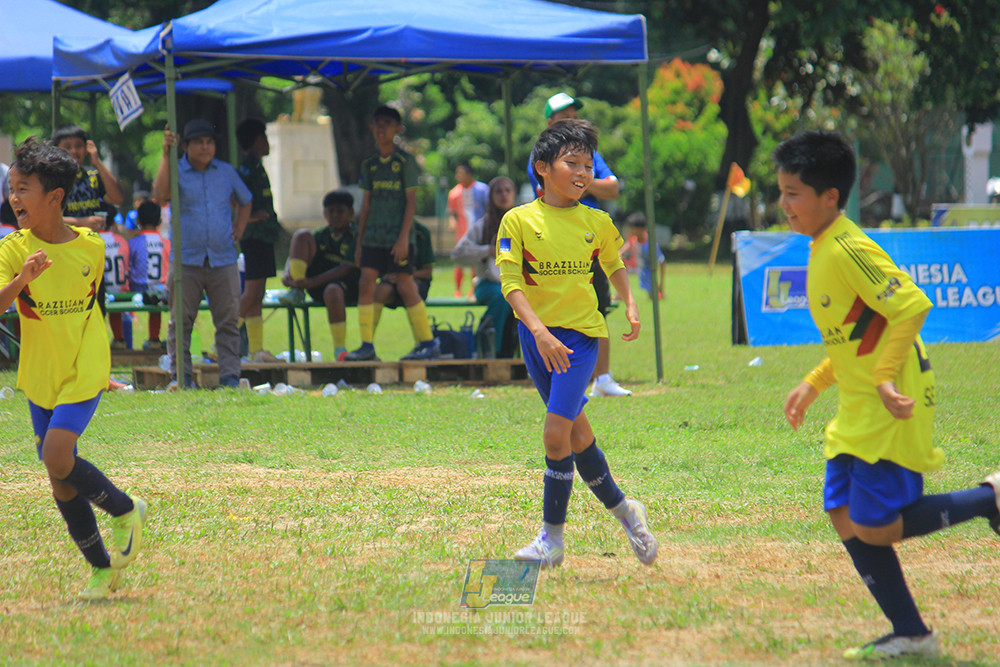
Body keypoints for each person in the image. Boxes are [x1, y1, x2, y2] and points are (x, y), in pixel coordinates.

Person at [776, 130, 1000, 661]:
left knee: (875, 526)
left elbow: (911, 305)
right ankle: (912, 633)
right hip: (858, 400)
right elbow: (854, 334)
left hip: (890, 398)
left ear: (830, 197)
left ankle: (989, 498)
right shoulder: (821, 246)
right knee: (841, 512)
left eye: (793, 194)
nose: (784, 204)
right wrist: (815, 382)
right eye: (781, 192)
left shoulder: (847, 247)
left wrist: (881, 377)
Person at [499, 119, 656, 569]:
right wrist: (539, 332)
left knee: (555, 434)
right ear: (542, 168)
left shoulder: (597, 221)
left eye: (588, 165)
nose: (583, 173)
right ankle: (626, 512)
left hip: (580, 339)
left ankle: (551, 539)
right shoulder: (518, 220)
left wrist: (630, 302)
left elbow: (613, 264)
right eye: (572, 163)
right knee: (578, 436)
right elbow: (511, 284)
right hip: (537, 339)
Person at [0, 137, 147, 600]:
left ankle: (126, 509)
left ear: (55, 197)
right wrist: (23, 279)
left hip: (85, 365)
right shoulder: (11, 249)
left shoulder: (92, 248)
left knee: (56, 456)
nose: (13, 198)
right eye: (11, 189)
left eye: (23, 189)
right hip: (40, 373)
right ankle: (102, 569)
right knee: (60, 479)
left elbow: (88, 309)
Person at [526, 92, 630, 397]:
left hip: (591, 242)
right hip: (555, 241)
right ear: (549, 122)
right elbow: (551, 190)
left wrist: (578, 177)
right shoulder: (542, 153)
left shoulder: (590, 154)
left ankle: (603, 377)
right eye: (564, 117)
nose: (571, 121)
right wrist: (583, 181)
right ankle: (563, 374)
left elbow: (612, 188)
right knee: (559, 307)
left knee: (598, 307)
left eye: (575, 116)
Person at [153, 119, 252, 389]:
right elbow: (160, 194)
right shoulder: (175, 170)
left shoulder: (226, 171)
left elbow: (246, 200)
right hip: (186, 258)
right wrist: (165, 155)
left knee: (229, 321)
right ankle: (181, 377)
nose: (205, 147)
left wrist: (239, 227)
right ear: (185, 146)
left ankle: (230, 377)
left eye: (209, 142)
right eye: (198, 142)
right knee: (181, 322)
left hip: (223, 258)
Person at [344, 105, 439, 362]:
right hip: (373, 237)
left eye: (387, 124)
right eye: (378, 124)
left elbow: (411, 202)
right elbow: (366, 205)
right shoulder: (370, 164)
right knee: (365, 282)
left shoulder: (405, 162)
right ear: (371, 128)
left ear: (398, 129)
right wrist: (360, 242)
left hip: (398, 238)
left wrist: (403, 238)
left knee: (406, 285)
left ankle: (429, 342)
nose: (381, 128)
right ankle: (366, 345)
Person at [279, 189, 359, 361]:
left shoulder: (356, 236)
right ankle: (296, 291)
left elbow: (346, 268)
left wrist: (312, 282)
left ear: (351, 213)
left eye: (340, 211)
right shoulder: (320, 234)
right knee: (302, 235)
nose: (335, 215)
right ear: (324, 213)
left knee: (333, 290)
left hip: (347, 287)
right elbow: (293, 256)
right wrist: (287, 274)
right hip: (315, 284)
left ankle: (339, 349)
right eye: (331, 211)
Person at [451, 176, 517, 358]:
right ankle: (489, 348)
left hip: (519, 283)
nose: (504, 195)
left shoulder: (522, 223)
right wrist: (486, 250)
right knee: (504, 296)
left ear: (514, 194)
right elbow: (457, 255)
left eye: (508, 191)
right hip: (489, 284)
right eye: (498, 191)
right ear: (490, 197)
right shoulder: (482, 226)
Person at [236, 118, 283, 362]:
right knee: (252, 293)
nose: (267, 143)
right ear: (255, 141)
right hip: (254, 238)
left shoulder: (256, 166)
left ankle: (256, 351)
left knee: (257, 295)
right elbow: (234, 198)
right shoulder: (246, 169)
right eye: (264, 138)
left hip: (264, 237)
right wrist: (250, 217)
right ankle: (222, 342)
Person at [50, 124, 125, 232]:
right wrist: (81, 222)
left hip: (91, 239)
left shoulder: (92, 174)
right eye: (67, 147)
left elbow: (117, 199)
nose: (74, 151)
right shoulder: (51, 179)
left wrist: (97, 163)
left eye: (79, 146)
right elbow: (46, 218)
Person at [372, 219, 434, 345]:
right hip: (391, 283)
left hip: (416, 282)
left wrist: (404, 276)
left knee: (408, 288)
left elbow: (427, 272)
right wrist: (387, 276)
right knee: (380, 291)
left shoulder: (421, 232)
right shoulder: (383, 231)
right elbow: (374, 269)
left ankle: (423, 344)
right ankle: (367, 344)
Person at [128, 201, 170, 350]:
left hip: (137, 289)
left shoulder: (133, 243)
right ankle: (154, 338)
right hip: (161, 289)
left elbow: (129, 267)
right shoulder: (167, 243)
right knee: (158, 293)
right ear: (159, 222)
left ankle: (121, 338)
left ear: (138, 221)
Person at [446, 163, 489, 298]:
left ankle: (473, 288)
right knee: (459, 259)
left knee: (476, 260)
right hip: (462, 231)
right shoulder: (454, 193)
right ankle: (458, 290)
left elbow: (488, 208)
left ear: (469, 175)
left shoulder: (482, 189)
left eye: (460, 173)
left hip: (478, 231)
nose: (457, 176)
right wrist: (452, 222)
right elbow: (452, 212)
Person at [98, 224, 130, 348]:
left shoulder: (93, 239)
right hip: (122, 291)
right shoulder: (121, 240)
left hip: (103, 291)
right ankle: (119, 338)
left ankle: (103, 341)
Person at [623, 212, 665, 300]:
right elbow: (624, 249)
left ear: (640, 229)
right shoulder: (634, 240)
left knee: (654, 297)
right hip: (639, 269)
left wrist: (661, 284)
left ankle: (659, 293)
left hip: (648, 271)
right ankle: (621, 293)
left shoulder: (650, 244)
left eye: (632, 228)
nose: (630, 230)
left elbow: (662, 261)